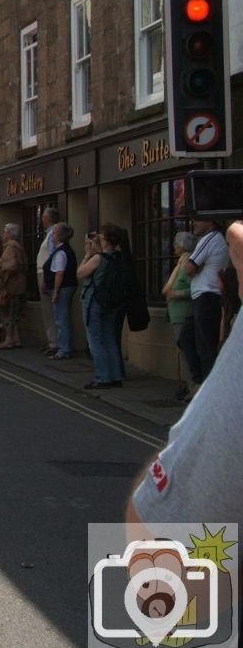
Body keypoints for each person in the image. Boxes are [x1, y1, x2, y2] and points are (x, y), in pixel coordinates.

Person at [127, 219, 243, 528]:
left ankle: (200, 386)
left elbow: (148, 529)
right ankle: (198, 386)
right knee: (192, 343)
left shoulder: (213, 238)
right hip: (201, 302)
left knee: (203, 349)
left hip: (204, 300)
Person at [178, 218, 228, 397]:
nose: (193, 222)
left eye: (199, 219)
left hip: (207, 297)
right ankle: (199, 382)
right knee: (186, 338)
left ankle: (207, 391)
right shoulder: (211, 239)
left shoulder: (211, 238)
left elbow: (189, 269)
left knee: (205, 345)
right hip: (200, 297)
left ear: (211, 222)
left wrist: (196, 267)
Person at [77, 224, 125, 389]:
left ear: (105, 239)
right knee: (110, 338)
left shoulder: (98, 259)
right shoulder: (119, 257)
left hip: (94, 301)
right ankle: (116, 375)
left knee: (95, 340)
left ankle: (103, 377)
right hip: (112, 302)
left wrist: (87, 254)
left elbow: (80, 273)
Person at [162, 231, 196, 400]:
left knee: (187, 353)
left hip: (184, 314)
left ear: (182, 246)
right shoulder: (181, 262)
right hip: (176, 314)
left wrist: (176, 294)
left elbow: (194, 289)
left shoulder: (187, 264)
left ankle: (192, 388)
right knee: (182, 353)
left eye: (176, 244)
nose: (174, 247)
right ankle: (187, 386)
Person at [41, 222, 78, 360]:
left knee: (61, 319)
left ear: (60, 236)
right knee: (62, 318)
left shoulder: (62, 251)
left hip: (63, 288)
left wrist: (56, 292)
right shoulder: (61, 250)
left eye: (54, 233)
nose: (52, 236)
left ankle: (64, 349)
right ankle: (64, 347)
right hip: (64, 288)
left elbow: (59, 273)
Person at [0, 223, 28, 349]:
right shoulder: (17, 247)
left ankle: (9, 339)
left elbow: (12, 265)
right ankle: (15, 339)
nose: (3, 234)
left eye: (5, 232)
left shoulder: (11, 247)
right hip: (18, 285)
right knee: (14, 313)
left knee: (8, 313)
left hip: (12, 286)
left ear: (10, 234)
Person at [36, 208, 60, 354]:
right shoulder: (49, 233)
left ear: (49, 218)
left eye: (43, 216)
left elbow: (52, 256)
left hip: (46, 275)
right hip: (44, 273)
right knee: (47, 311)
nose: (41, 219)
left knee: (50, 310)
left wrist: (47, 279)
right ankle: (52, 341)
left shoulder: (52, 234)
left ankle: (54, 343)